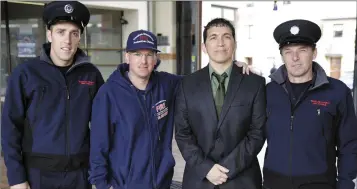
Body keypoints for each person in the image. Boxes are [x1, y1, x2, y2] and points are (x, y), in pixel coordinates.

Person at [88, 29, 252, 189]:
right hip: (124, 184)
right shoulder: (108, 94)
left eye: (149, 54)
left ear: (155, 58)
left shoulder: (166, 84)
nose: (143, 61)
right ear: (127, 56)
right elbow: (98, 145)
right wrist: (103, 184)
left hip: (162, 182)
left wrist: (229, 67)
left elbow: (200, 81)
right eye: (137, 54)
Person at [1, 1, 104, 189]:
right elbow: (10, 127)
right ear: (49, 34)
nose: (68, 40)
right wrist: (16, 178)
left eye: (74, 33)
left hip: (80, 176)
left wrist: (100, 172)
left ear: (80, 37)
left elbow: (103, 124)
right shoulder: (26, 74)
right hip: (38, 176)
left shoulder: (91, 75)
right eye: (61, 32)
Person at [263, 19, 357, 189]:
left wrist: (345, 184)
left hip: (319, 184)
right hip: (273, 183)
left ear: (314, 53)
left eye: (302, 50)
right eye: (288, 51)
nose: (295, 58)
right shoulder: (267, 92)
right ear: (282, 55)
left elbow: (349, 145)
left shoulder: (337, 92)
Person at [174, 18, 267, 189]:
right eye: (213, 37)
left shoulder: (255, 83)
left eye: (226, 37)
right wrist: (206, 168)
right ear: (204, 46)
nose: (220, 43)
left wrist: (227, 169)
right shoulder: (186, 84)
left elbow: (257, 132)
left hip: (242, 180)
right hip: (199, 179)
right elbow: (182, 133)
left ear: (234, 43)